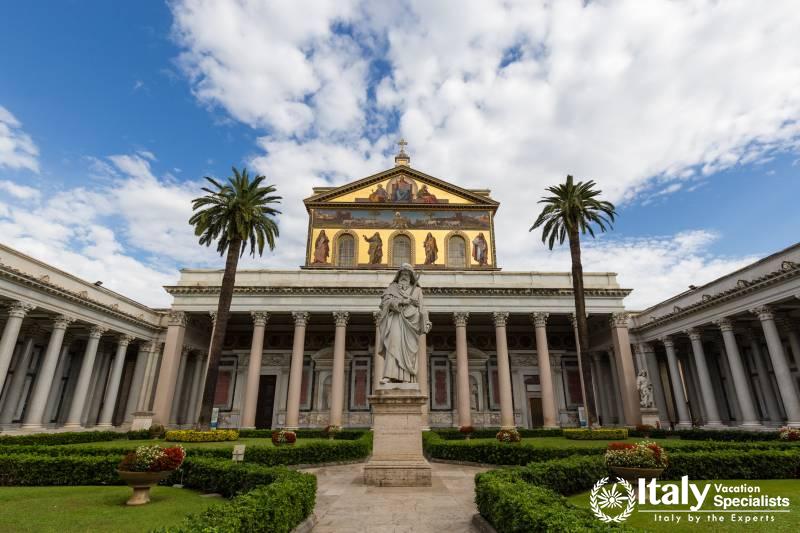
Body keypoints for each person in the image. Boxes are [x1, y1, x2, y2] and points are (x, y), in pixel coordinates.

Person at [377, 264, 431, 383]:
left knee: (408, 351)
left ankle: (407, 377)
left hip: (411, 324)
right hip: (396, 319)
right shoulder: (392, 288)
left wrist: (425, 322)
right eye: (402, 274)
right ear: (399, 275)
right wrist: (401, 301)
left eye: (407, 274)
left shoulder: (417, 290)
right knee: (393, 344)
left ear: (411, 277)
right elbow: (385, 303)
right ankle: (388, 375)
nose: (404, 276)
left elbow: (422, 309)